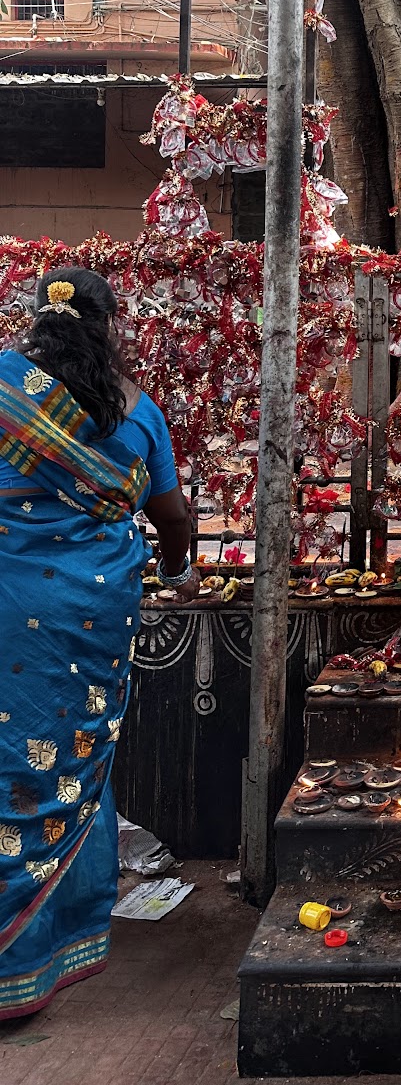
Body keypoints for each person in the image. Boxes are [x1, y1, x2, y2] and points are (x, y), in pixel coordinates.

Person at [0, 268, 197, 1019]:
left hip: (5, 601)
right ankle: (34, 958)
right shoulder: (136, 411)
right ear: (108, 324)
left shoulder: (1, 387)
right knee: (62, 767)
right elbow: (172, 520)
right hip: (86, 621)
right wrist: (177, 575)